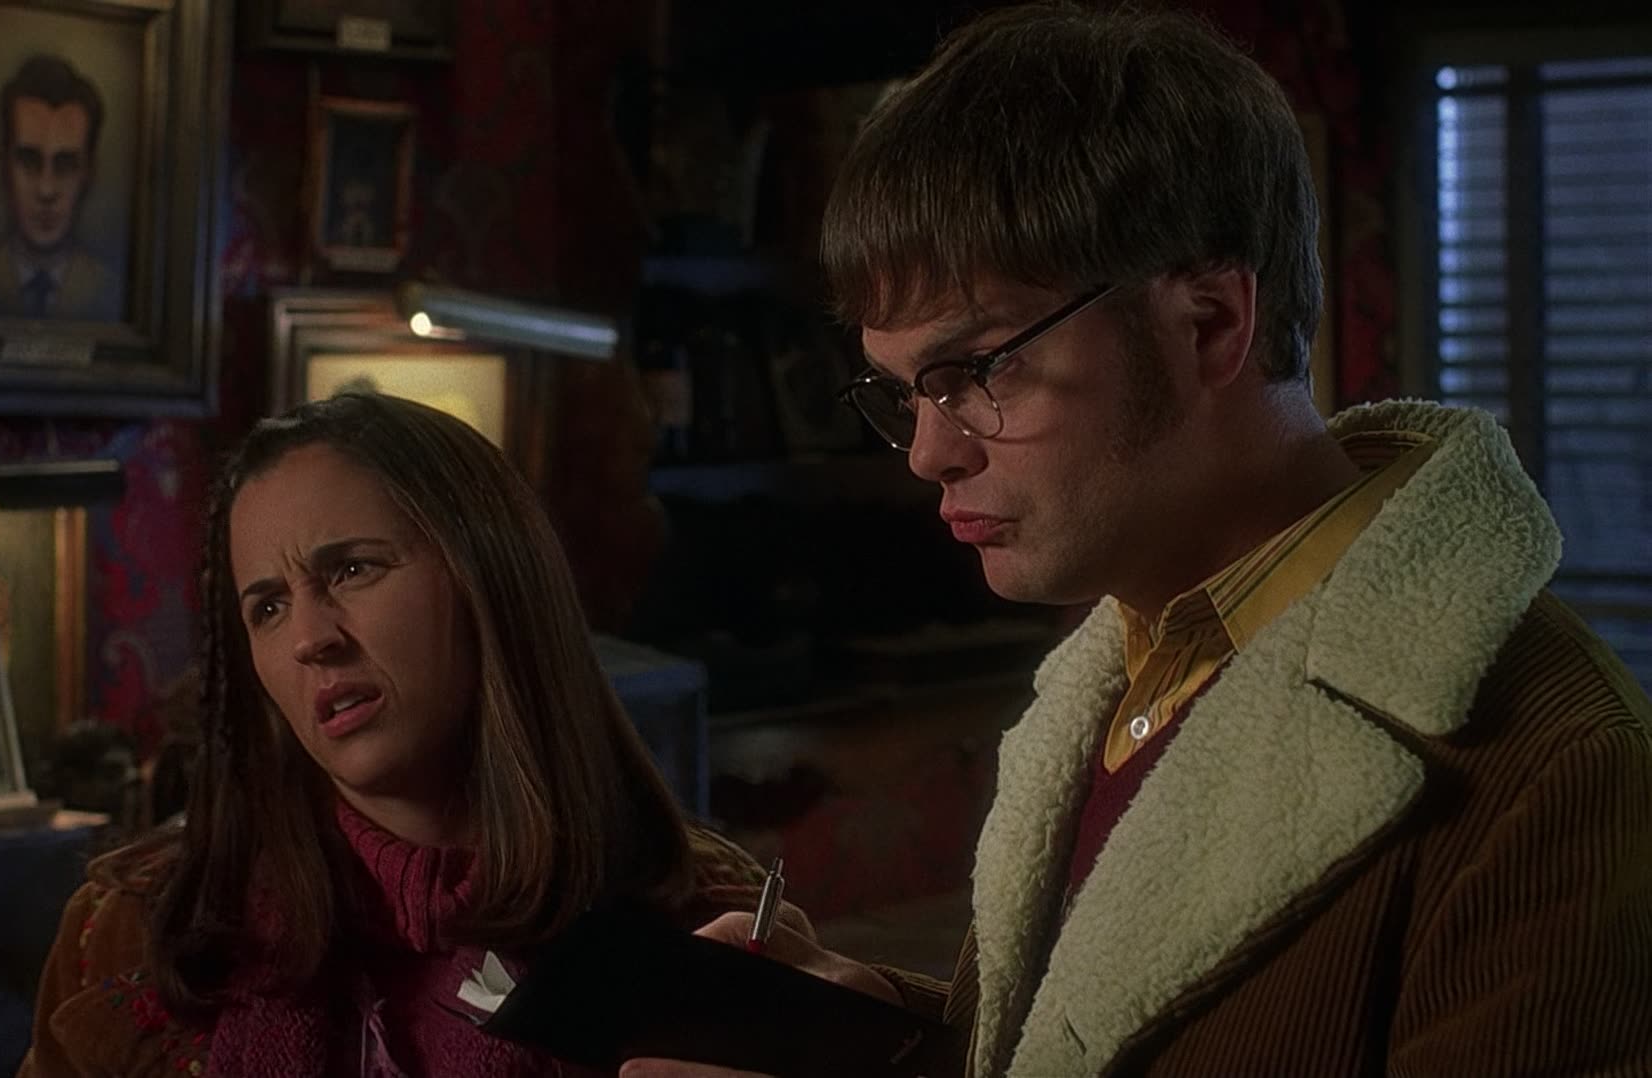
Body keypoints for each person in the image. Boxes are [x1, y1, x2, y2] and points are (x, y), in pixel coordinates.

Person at [625, 4, 1652, 1077]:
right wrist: (878, 1033)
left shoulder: (1557, 768)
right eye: (903, 391)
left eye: (978, 369)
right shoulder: (1126, 664)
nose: (927, 453)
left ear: (1208, 323)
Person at [22, 393, 791, 1076]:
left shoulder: (705, 925)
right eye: (268, 607)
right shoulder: (139, 932)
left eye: (352, 570)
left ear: (488, 575)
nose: (310, 639)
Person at [0, 54, 122, 322]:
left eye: (65, 165)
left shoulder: (107, 289)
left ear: (89, 173)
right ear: (4, 165)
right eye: (29, 162)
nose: (46, 191)